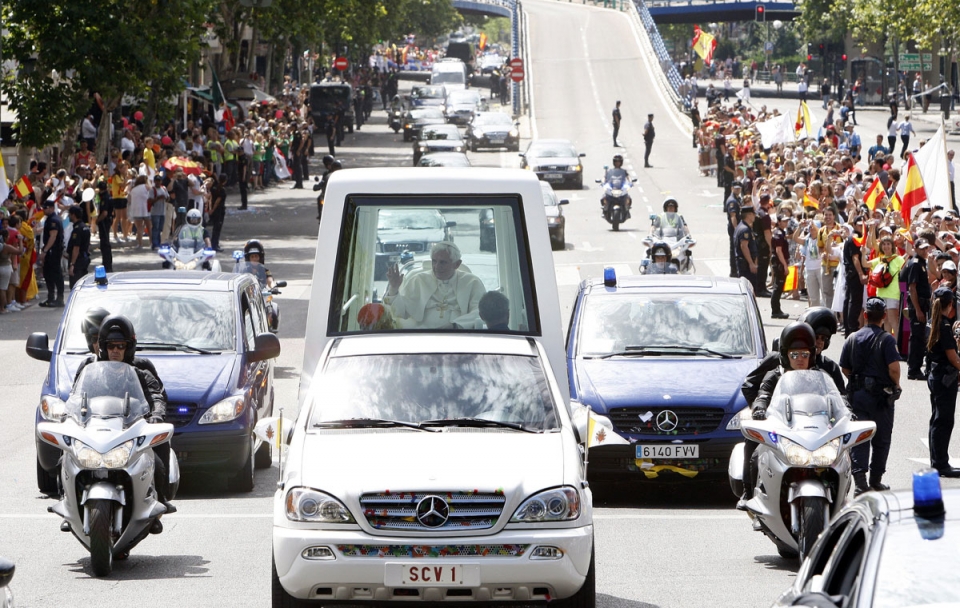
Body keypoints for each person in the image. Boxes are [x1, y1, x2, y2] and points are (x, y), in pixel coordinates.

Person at [77, 315, 175, 536]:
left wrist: (156, 416)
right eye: (111, 346)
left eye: (121, 346)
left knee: (157, 461)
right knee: (67, 457)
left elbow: (156, 397)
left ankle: (159, 503)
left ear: (128, 348)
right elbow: (75, 399)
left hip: (130, 433)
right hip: (96, 432)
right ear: (102, 347)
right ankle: (67, 503)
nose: (115, 351)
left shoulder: (141, 370)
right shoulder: (89, 369)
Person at [738, 322, 821, 510]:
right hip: (781, 429)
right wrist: (759, 409)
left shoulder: (819, 378)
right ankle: (749, 492)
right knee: (755, 449)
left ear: (811, 355)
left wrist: (846, 408)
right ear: (786, 355)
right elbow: (763, 395)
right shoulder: (774, 376)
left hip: (810, 430)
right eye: (794, 355)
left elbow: (835, 397)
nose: (800, 359)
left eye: (804, 354)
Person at [839, 297, 902, 495]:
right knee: (881, 439)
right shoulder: (887, 340)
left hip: (857, 397)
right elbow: (894, 369)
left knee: (859, 438)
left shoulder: (852, 338)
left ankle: (860, 483)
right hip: (881, 398)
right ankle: (875, 480)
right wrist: (896, 385)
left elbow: (845, 367)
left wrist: (858, 381)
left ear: (865, 315)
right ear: (884, 316)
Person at [384, 241, 486, 329]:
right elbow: (399, 313)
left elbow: (481, 312)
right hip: (421, 335)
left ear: (457, 264)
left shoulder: (472, 282)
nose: (437, 267)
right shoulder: (418, 280)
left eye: (443, 262)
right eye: (434, 261)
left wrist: (456, 325)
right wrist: (394, 288)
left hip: (457, 336)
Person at [925, 287, 960, 477]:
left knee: (936, 419)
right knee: (944, 421)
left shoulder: (933, 322)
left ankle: (936, 461)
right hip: (945, 379)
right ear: (950, 305)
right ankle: (940, 464)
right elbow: (953, 358)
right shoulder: (944, 326)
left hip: (935, 375)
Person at [906, 238, 932, 379]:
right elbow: (912, 288)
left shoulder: (922, 262)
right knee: (917, 337)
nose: (924, 251)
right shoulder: (916, 264)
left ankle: (914, 366)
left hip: (922, 303)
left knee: (919, 336)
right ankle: (914, 369)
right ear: (915, 248)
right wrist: (918, 309)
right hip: (918, 304)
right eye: (921, 248)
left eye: (926, 248)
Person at [38, 199, 65, 307]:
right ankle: (50, 298)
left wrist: (45, 250)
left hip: (53, 250)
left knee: (56, 273)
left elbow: (53, 236)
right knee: (48, 274)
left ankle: (59, 298)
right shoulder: (50, 219)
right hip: (51, 250)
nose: (44, 210)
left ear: (52, 208)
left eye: (46, 208)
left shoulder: (53, 219)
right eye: (44, 208)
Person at [735, 204, 759, 292]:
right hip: (745, 264)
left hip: (745, 263)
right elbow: (744, 246)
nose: (755, 216)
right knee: (748, 289)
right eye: (753, 214)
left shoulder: (742, 226)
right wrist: (751, 263)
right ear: (749, 215)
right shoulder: (744, 229)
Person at [770, 214, 790, 318]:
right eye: (784, 221)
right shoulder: (778, 234)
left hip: (779, 262)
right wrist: (785, 265)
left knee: (779, 287)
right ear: (779, 222)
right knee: (778, 287)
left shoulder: (781, 232)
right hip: (779, 263)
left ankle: (776, 309)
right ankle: (776, 310)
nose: (786, 223)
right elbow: (778, 250)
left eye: (787, 221)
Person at [65, 205, 91, 288]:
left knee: (75, 286)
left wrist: (72, 264)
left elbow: (76, 248)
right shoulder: (85, 227)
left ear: (73, 215)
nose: (68, 216)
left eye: (69, 214)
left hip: (78, 262)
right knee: (82, 284)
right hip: (84, 258)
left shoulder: (77, 229)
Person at [94, 181, 114, 272]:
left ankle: (107, 264)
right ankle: (107, 262)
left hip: (104, 222)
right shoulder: (108, 196)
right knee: (105, 242)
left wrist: (97, 220)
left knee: (105, 243)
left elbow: (104, 213)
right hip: (108, 221)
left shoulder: (105, 198)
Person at [725, 181, 743, 278]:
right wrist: (736, 230)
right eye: (736, 188)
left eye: (739, 188)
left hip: (737, 227)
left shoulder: (737, 198)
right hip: (734, 228)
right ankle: (734, 271)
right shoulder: (732, 201)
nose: (738, 190)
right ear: (732, 188)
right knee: (734, 249)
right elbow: (733, 216)